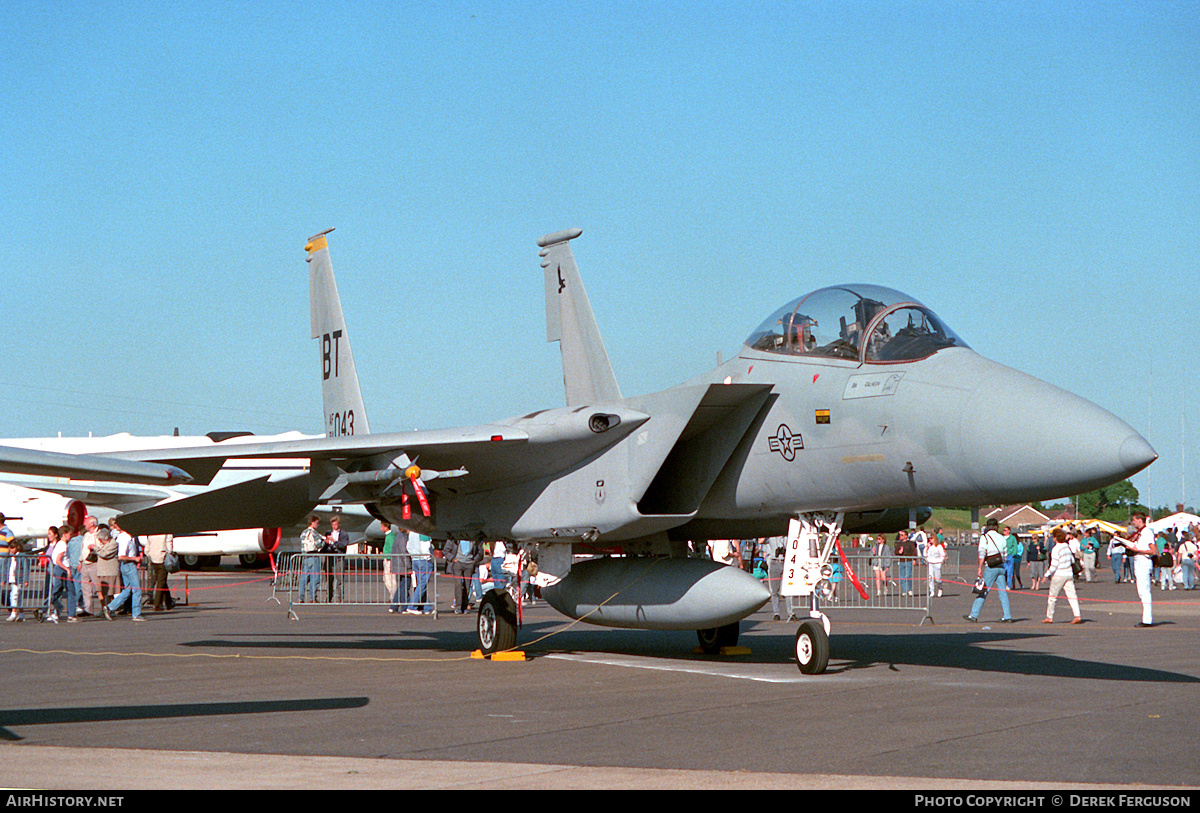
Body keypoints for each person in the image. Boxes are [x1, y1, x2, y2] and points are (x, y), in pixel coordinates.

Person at [964, 518, 1015, 623]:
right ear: (996, 527)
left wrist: (979, 568)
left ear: (987, 527)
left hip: (991, 567)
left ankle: (974, 615)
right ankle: (1007, 615)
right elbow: (1005, 555)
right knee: (1002, 592)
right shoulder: (1002, 538)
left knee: (983, 590)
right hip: (1001, 566)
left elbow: (982, 553)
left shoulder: (985, 537)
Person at [1115, 512, 1156, 627]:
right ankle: (1146, 618)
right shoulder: (1140, 533)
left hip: (1143, 560)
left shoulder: (1146, 532)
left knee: (1144, 591)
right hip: (1138, 560)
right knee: (1141, 591)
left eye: (1134, 520)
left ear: (1139, 520)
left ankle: (1147, 619)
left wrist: (1137, 550)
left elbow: (1153, 551)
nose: (1133, 522)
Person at [104, 522, 144, 621]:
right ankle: (136, 614)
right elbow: (121, 556)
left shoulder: (125, 537)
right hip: (129, 565)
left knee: (127, 589)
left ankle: (111, 607)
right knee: (137, 590)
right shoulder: (125, 538)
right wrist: (135, 559)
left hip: (126, 565)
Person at [1043, 527, 1083, 624]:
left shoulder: (1056, 549)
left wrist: (1046, 575)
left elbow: (1054, 565)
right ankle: (1077, 615)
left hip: (1059, 574)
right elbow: (1072, 560)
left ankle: (1049, 617)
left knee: (1052, 597)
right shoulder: (1066, 546)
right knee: (1072, 595)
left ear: (1055, 538)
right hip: (1069, 573)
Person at [46, 525, 75, 624]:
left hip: (59, 569)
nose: (71, 536)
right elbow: (58, 560)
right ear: (65, 534)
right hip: (61, 569)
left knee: (58, 590)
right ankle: (70, 614)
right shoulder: (63, 545)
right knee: (70, 591)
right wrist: (67, 570)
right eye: (70, 534)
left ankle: (51, 607)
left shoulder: (59, 544)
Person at [142, 532, 175, 611]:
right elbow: (169, 546)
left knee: (162, 580)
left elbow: (146, 549)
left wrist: (151, 554)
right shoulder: (167, 533)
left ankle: (168, 601)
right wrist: (170, 554)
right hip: (162, 558)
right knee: (161, 582)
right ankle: (157, 604)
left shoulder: (152, 533)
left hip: (154, 559)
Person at [323, 515, 349, 603]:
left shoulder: (344, 534)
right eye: (333, 525)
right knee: (329, 579)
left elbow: (343, 545)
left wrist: (335, 541)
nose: (334, 526)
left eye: (336, 524)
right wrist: (325, 542)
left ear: (339, 524)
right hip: (329, 558)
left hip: (338, 558)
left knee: (339, 578)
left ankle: (340, 597)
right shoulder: (328, 533)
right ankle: (329, 597)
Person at [298, 515, 322, 603]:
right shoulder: (314, 533)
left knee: (304, 578)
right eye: (317, 522)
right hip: (313, 556)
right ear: (313, 522)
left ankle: (301, 597)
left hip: (305, 557)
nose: (318, 525)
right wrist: (325, 542)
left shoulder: (303, 533)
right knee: (315, 577)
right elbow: (319, 545)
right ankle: (313, 597)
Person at [95, 526, 120, 610]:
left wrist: (95, 549)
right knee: (99, 591)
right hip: (101, 571)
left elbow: (105, 554)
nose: (100, 541)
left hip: (110, 571)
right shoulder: (102, 544)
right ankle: (104, 608)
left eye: (101, 540)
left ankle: (111, 608)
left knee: (110, 593)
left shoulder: (113, 544)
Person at [407, 532, 433, 614]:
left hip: (415, 559)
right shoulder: (423, 532)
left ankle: (427, 607)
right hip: (423, 559)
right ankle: (412, 606)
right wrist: (428, 557)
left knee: (421, 584)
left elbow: (408, 546)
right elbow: (426, 546)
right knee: (422, 584)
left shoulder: (412, 532)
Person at [894, 530, 915, 596]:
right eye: (900, 535)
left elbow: (913, 551)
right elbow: (895, 552)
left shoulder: (910, 543)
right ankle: (904, 590)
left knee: (908, 575)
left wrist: (914, 559)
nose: (901, 536)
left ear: (906, 536)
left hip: (909, 560)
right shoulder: (899, 543)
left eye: (902, 535)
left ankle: (909, 589)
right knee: (902, 576)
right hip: (901, 561)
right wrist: (899, 552)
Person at [924, 533, 946, 598]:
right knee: (930, 578)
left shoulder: (939, 546)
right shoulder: (929, 546)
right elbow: (925, 554)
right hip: (930, 563)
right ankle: (932, 591)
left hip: (937, 563)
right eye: (929, 538)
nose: (930, 540)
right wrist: (926, 548)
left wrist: (940, 561)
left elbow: (943, 555)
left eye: (931, 538)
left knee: (937, 578)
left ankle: (940, 588)